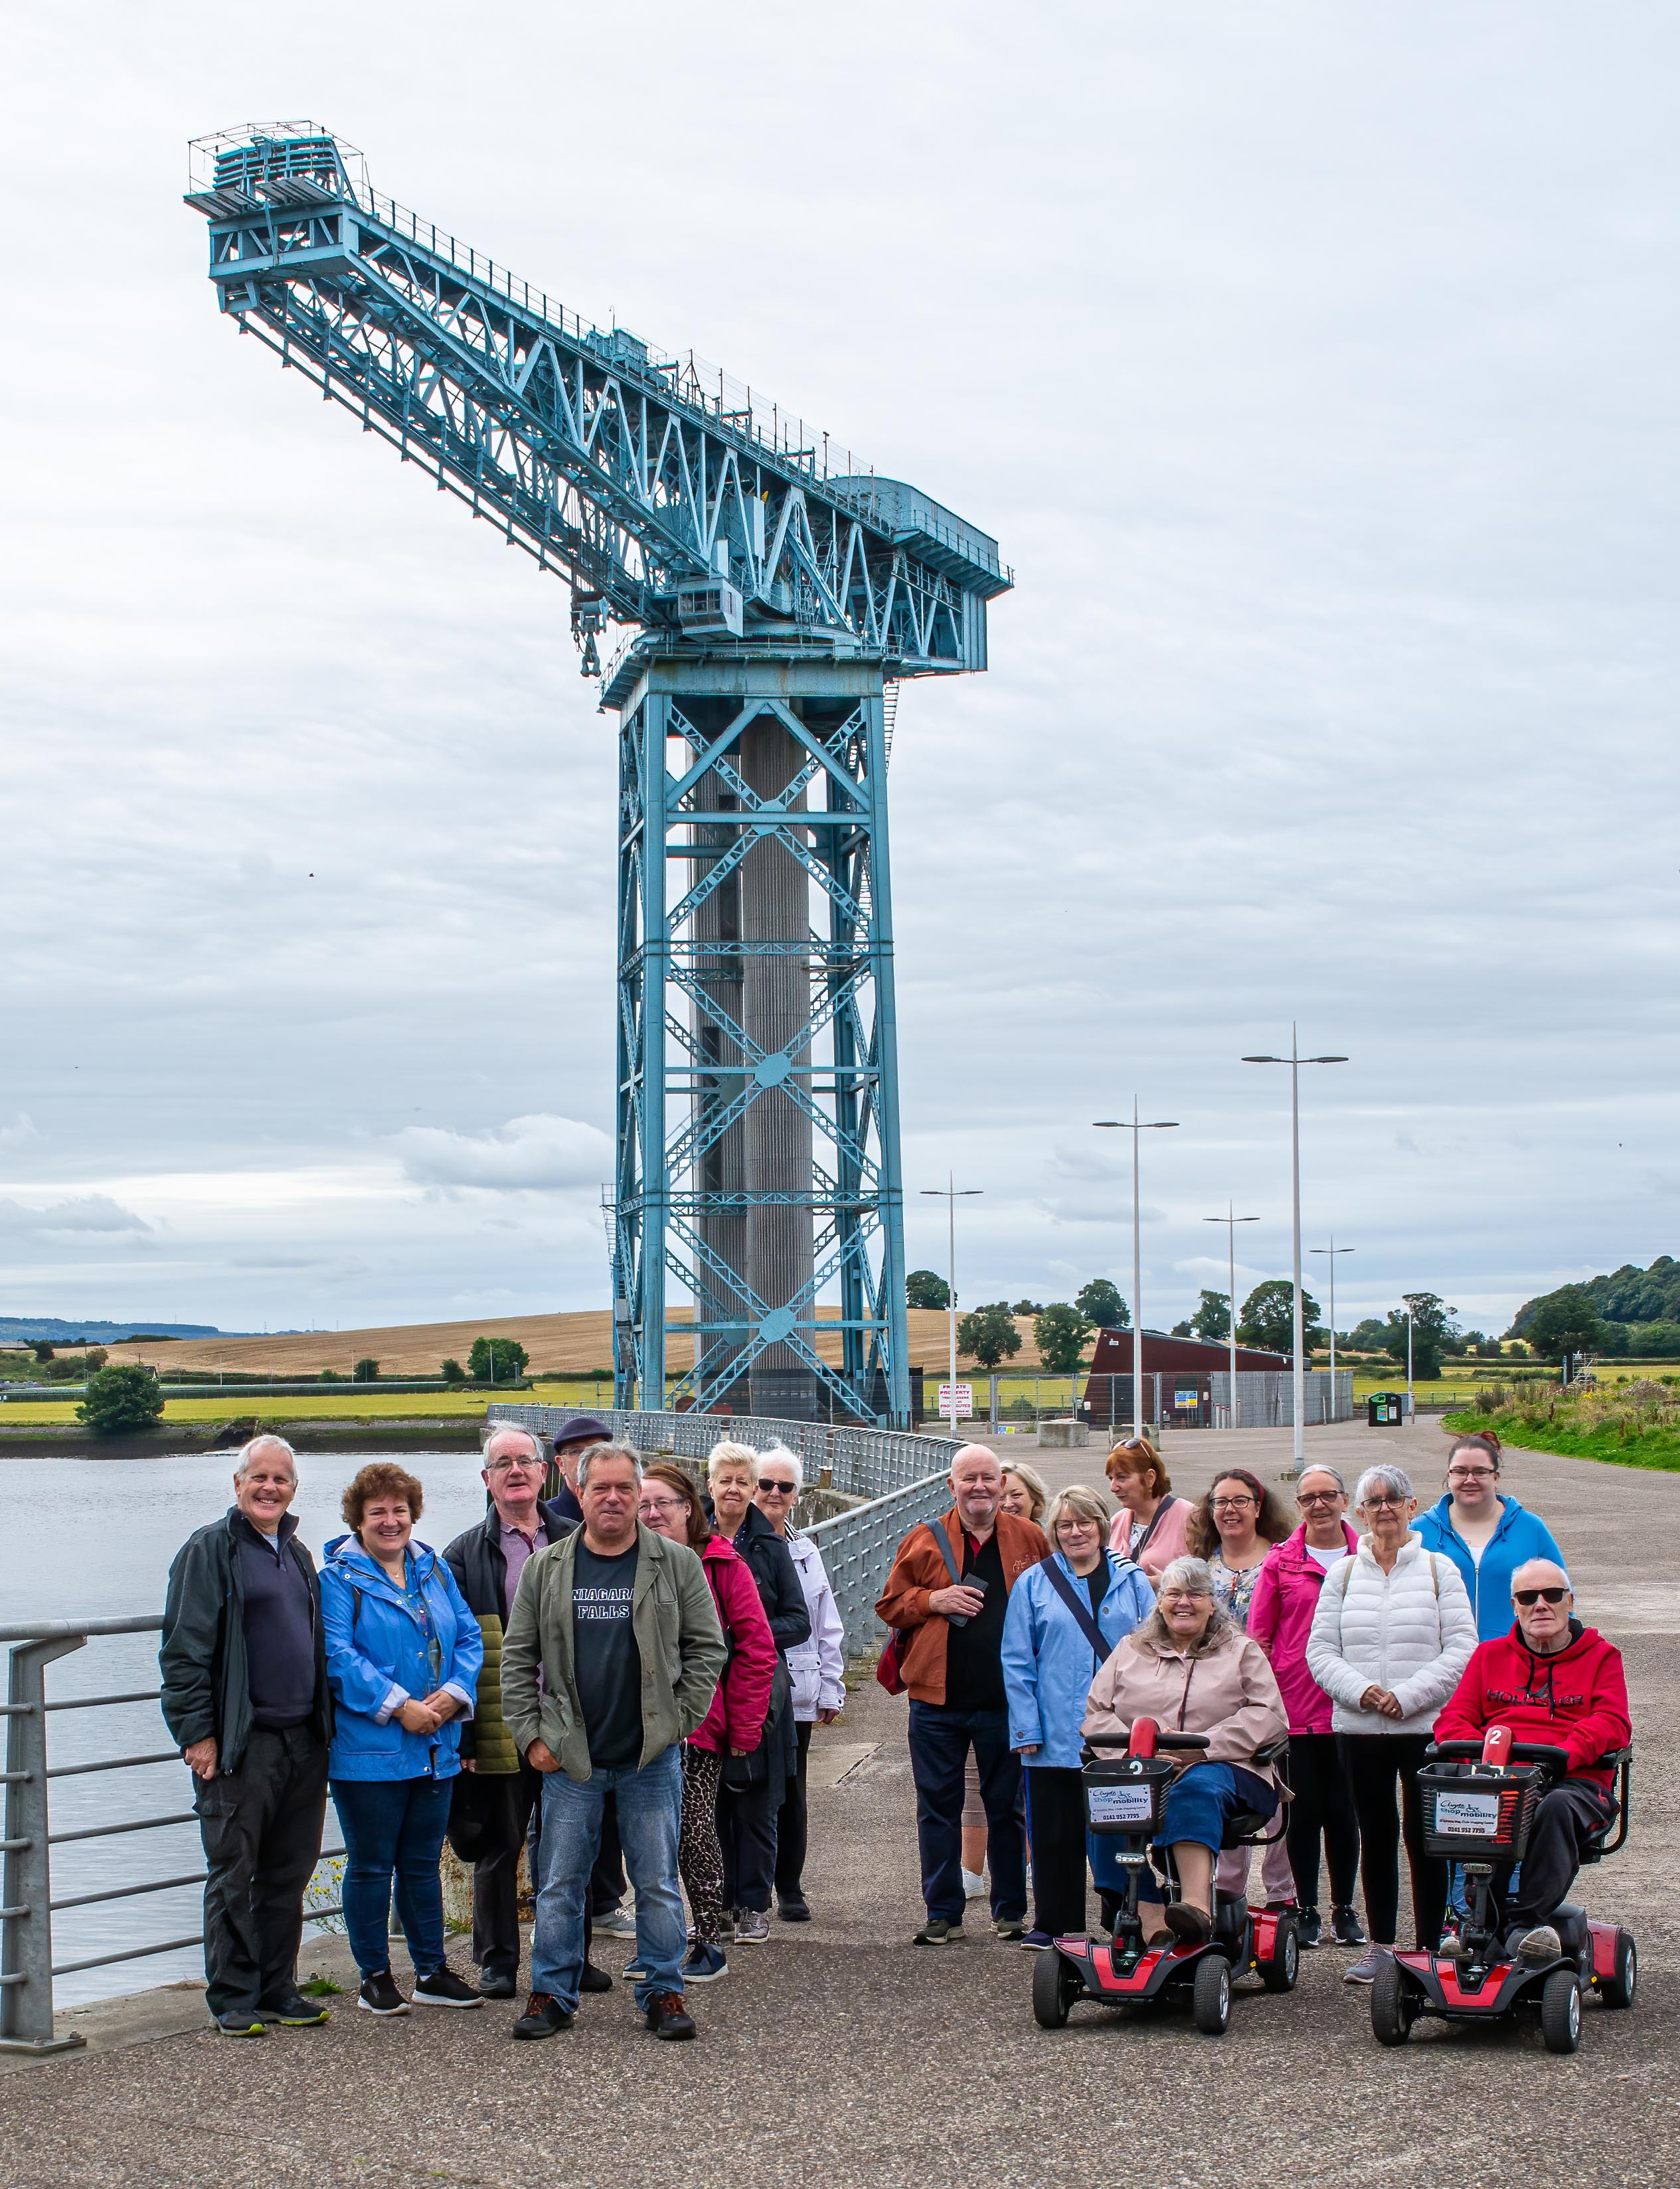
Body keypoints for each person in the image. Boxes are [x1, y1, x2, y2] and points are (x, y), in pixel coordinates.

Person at [502, 1441, 727, 2042]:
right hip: (570, 1757)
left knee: (655, 1881)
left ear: (637, 1495)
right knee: (559, 1884)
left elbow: (709, 1648)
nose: (612, 1498)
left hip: (649, 1756)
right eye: (599, 1487)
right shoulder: (547, 1567)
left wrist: (679, 1719)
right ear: (578, 1492)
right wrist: (530, 1736)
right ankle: (551, 1991)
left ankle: (663, 1991)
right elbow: (517, 1659)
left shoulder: (676, 1563)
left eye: (624, 1488)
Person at [159, 1434, 335, 2038]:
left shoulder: (299, 1552)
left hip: (303, 1741)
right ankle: (233, 1997)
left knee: (289, 1870)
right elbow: (184, 1652)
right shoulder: (210, 1550)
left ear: (293, 1489)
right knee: (233, 1869)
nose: (270, 1488)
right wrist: (197, 1734)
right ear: (237, 1485)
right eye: (258, 1477)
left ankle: (277, 1985)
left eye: (281, 1479)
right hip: (241, 1741)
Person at [442, 1422, 612, 2000]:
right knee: (500, 1843)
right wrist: (462, 1738)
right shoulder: (464, 1553)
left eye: (525, 1460)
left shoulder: (579, 1535)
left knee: (573, 1845)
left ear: (546, 1473)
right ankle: (496, 1961)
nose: (516, 1470)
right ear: (487, 1479)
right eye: (503, 1463)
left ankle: (572, 1957)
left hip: (570, 1720)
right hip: (498, 1721)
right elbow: (455, 1651)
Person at [319, 1462, 485, 2018]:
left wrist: (455, 1693)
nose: (391, 1521)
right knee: (370, 1864)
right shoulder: (338, 1580)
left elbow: (468, 1633)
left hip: (436, 1744)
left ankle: (432, 1971)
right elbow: (338, 1657)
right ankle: (373, 1976)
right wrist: (401, 1705)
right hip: (370, 1748)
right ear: (358, 1519)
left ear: (413, 1513)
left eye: (399, 1510)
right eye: (378, 1512)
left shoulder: (434, 1569)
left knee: (420, 1863)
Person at [1305, 1462, 1475, 1984]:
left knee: (1427, 1839)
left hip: (1423, 1728)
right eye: (1373, 1501)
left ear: (1411, 1505)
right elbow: (1320, 1649)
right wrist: (1363, 1691)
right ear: (1360, 1512)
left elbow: (1462, 1647)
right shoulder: (1343, 1574)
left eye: (1392, 1498)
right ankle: (1382, 1944)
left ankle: (1427, 1947)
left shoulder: (1438, 1569)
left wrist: (1407, 1695)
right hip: (1358, 1729)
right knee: (1376, 1834)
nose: (1383, 1508)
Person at [876, 1443, 1048, 1943]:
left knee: (1007, 1808)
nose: (979, 1486)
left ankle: (1011, 1909)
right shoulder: (925, 1539)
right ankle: (943, 1910)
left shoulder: (1030, 1537)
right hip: (936, 1702)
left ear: (1002, 1485)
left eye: (988, 1478)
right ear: (951, 1486)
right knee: (937, 1807)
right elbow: (890, 1604)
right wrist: (933, 1599)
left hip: (1006, 1702)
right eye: (968, 1478)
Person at [1432, 1557, 1631, 1962]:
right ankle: (1475, 1923)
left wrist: (1566, 1753)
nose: (1541, 1604)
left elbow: (1613, 1721)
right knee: (1469, 1803)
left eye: (1552, 1595)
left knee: (1553, 1808)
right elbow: (1453, 1719)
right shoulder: (1489, 1656)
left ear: (1569, 1601)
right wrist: (1486, 1755)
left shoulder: (1602, 1656)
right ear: (1515, 1606)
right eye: (1528, 1597)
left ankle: (1525, 1924)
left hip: (1573, 1780)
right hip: (1503, 1775)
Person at [1082, 1556, 1290, 1943]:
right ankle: (1151, 1916)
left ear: (1213, 1603)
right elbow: (1096, 1714)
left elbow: (1270, 1716)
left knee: (1195, 1787)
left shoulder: (1240, 1650)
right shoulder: (1130, 1649)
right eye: (1174, 1593)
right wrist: (1137, 1755)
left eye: (1196, 1594)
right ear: (1159, 1602)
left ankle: (1196, 1910)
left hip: (1229, 1767)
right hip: (1143, 1766)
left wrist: (1204, 1748)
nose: (1184, 1603)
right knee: (1106, 1799)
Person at [638, 1463, 776, 1983]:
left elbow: (756, 1649)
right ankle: (661, 1941)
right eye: (644, 1503)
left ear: (690, 1507)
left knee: (695, 1831)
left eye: (665, 1503)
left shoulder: (722, 1565)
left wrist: (743, 1728)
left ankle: (707, 1940)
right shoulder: (625, 1561)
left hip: (698, 1724)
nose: (654, 1513)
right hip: (635, 1728)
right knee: (648, 1838)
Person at [1001, 1485, 1154, 1946]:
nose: (1075, 1532)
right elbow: (1017, 1658)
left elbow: (1151, 1653)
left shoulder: (1133, 1580)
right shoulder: (1034, 1582)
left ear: (1103, 1525)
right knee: (1053, 1832)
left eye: (1084, 1521)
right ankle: (1054, 1922)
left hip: (1118, 1733)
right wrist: (1025, 1726)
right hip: (1053, 1731)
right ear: (1053, 1530)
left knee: (1121, 1833)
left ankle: (1123, 1918)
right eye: (1065, 1524)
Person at [1248, 1465, 1365, 1949]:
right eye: (1309, 1497)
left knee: (1345, 1812)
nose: (1320, 1504)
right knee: (1302, 1813)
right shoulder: (1281, 1561)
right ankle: (1306, 1907)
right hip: (1297, 1707)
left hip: (1355, 1707)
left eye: (1329, 1495)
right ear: (1298, 1504)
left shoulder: (1369, 1556)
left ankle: (1345, 1908)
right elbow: (1260, 1636)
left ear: (1344, 1500)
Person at [706, 1441, 811, 1943]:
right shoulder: (691, 1540)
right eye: (723, 1479)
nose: (733, 1488)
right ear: (709, 1485)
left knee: (757, 1803)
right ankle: (716, 1903)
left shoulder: (770, 1546)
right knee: (708, 1806)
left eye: (742, 1481)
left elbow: (799, 1620)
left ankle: (753, 1904)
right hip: (704, 1691)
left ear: (752, 1489)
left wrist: (746, 1629)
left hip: (762, 1692)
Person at [753, 1445, 845, 1923]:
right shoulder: (735, 1544)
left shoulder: (806, 1550)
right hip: (748, 1684)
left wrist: (832, 1687)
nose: (773, 1493)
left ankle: (789, 1884)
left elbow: (826, 1622)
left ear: (797, 1494)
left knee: (792, 1787)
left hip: (799, 1685)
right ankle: (747, 1889)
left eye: (784, 1486)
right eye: (765, 1483)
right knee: (746, 1789)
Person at [1415, 1431, 1567, 1642]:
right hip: (1443, 1664)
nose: (1470, 1480)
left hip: (1516, 1664)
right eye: (1460, 1472)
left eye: (1480, 1472)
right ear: (1448, 1477)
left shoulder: (1530, 1528)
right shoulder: (1420, 1531)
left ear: (1495, 1478)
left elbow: (1562, 1601)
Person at [1104, 1437, 1189, 1583]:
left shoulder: (1189, 1518)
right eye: (1111, 1478)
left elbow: (1209, 1577)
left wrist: (1168, 1586)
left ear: (1150, 1478)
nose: (1113, 1487)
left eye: (1122, 1478)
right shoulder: (1116, 1522)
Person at [999, 1459, 1049, 1524]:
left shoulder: (1046, 1534)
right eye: (1000, 1497)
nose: (1008, 1504)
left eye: (1016, 1495)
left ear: (1034, 1498)